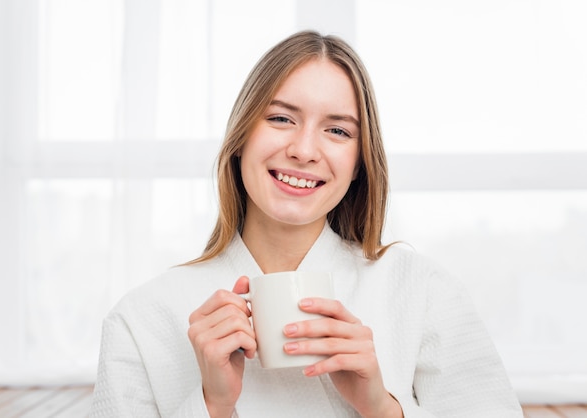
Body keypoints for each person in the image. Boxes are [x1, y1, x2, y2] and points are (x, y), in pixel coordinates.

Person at [90, 30, 522, 417]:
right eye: (281, 118)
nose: (304, 150)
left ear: (358, 164)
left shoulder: (422, 290)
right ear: (241, 137)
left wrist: (380, 407)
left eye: (337, 131)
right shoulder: (142, 318)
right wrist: (212, 406)